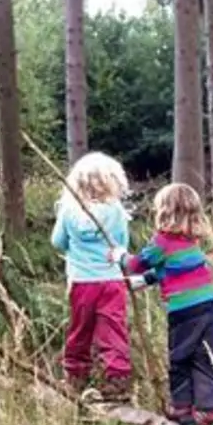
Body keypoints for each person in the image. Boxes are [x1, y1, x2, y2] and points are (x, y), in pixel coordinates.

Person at [109, 183, 213, 425]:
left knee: (180, 357)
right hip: (210, 304)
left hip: (185, 311)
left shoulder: (162, 241)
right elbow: (173, 269)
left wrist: (119, 255)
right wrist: (148, 281)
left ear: (164, 211)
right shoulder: (189, 240)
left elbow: (135, 264)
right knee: (205, 356)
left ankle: (181, 406)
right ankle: (210, 407)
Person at [50, 152, 145, 402]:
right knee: (113, 329)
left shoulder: (69, 210)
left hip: (82, 282)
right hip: (112, 281)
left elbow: (57, 242)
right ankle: (117, 379)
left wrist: (76, 246)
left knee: (80, 328)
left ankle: (75, 376)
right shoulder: (115, 211)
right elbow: (122, 244)